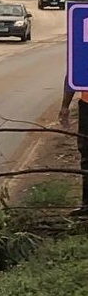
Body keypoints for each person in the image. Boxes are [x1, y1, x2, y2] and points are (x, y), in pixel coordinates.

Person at [58, 75, 88, 216]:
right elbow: (74, 74)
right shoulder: (82, 52)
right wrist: (65, 106)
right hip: (87, 106)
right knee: (86, 154)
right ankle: (86, 204)